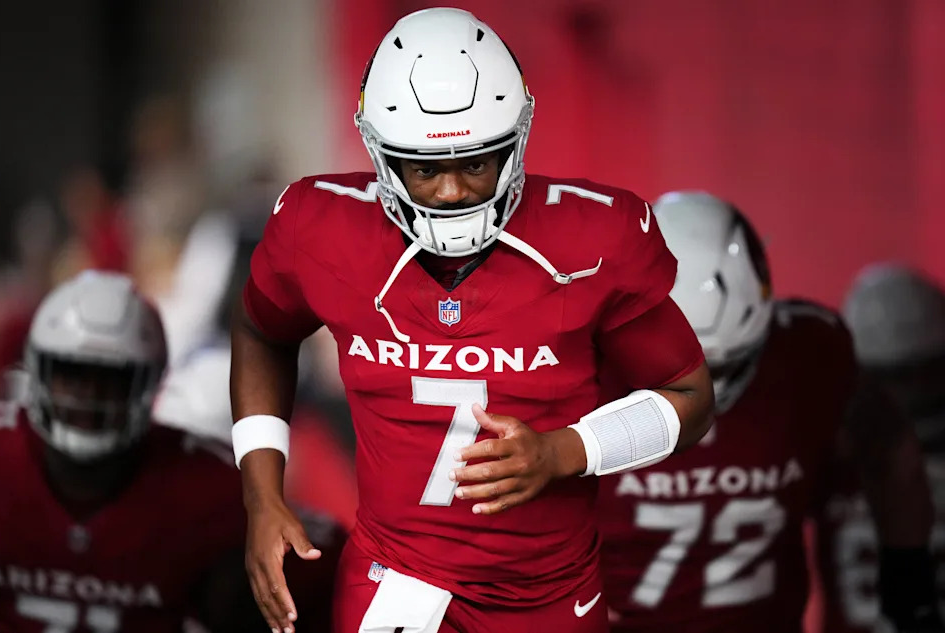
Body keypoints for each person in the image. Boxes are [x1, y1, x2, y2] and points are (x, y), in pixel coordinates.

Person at [230, 8, 713, 633]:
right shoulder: (319, 228)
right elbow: (262, 329)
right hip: (393, 579)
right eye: (426, 169)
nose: (453, 191)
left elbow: (691, 398)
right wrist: (262, 493)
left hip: (548, 594)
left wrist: (562, 451)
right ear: (380, 154)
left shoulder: (594, 239)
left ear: (517, 142)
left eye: (477, 163)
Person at [596, 193, 937, 633]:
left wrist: (908, 580)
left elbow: (892, 455)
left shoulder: (808, 354)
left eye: (723, 367)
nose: (706, 394)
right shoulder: (574, 369)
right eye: (675, 372)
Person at [0, 271, 341, 632]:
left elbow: (331, 559)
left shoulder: (205, 486)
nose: (87, 397)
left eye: (111, 379)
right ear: (38, 369)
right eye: (72, 373)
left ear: (151, 382)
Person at [815, 264, 945, 632]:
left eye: (916, 377)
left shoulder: (825, 451)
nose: (906, 399)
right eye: (889, 382)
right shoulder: (828, 452)